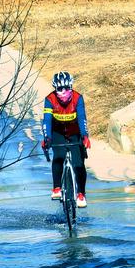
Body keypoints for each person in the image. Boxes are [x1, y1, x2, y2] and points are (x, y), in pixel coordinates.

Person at [42, 71, 91, 208]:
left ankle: (81, 193)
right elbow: (47, 121)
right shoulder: (49, 99)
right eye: (59, 89)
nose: (63, 92)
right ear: (55, 89)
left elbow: (82, 118)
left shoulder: (78, 98)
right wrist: (47, 138)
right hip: (57, 132)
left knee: (78, 163)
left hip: (75, 132)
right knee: (58, 157)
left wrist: (85, 136)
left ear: (71, 87)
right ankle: (57, 187)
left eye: (66, 88)